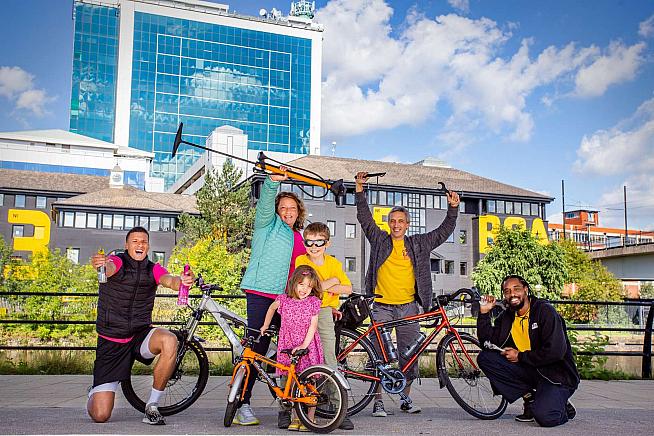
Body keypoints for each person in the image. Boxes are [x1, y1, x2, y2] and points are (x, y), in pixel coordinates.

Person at [354, 172, 459, 417]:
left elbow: (443, 231)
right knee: (378, 355)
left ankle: (405, 398)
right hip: (381, 306)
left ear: (407, 223)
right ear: (389, 223)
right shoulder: (379, 239)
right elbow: (364, 218)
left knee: (409, 355)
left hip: (408, 307)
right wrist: (360, 190)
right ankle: (377, 402)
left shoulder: (418, 243)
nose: (397, 225)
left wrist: (453, 208)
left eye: (401, 221)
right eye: (393, 221)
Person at [87, 226, 194, 425]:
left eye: (144, 241)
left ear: (148, 246)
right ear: (127, 245)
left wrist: (183, 281)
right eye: (135, 241)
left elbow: (168, 279)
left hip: (139, 335)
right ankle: (94, 393)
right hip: (112, 342)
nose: (140, 245)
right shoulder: (117, 261)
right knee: (101, 415)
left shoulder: (152, 268)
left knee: (170, 339)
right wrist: (100, 265)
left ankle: (152, 407)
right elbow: (109, 268)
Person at [237, 167, 307, 427]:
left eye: (293, 208)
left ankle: (288, 403)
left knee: (289, 351)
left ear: (299, 212)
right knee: (257, 348)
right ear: (278, 211)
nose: (288, 212)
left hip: (285, 299)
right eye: (284, 208)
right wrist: (271, 183)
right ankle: (242, 404)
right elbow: (265, 204)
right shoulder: (267, 225)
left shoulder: (298, 237)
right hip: (260, 292)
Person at [476, 275, 580, 427]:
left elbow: (555, 352)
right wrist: (484, 313)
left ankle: (562, 406)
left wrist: (520, 356)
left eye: (516, 289)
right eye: (507, 291)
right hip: (531, 370)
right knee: (486, 358)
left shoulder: (545, 312)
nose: (512, 294)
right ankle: (530, 398)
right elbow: (487, 343)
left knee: (546, 418)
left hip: (556, 375)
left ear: (525, 290)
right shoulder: (507, 317)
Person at [295, 222, 355, 430]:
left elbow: (348, 286)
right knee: (298, 358)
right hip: (302, 312)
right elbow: (306, 287)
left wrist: (323, 285)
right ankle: (289, 411)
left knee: (329, 360)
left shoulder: (333, 263)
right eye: (309, 242)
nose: (313, 246)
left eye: (318, 242)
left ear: (327, 243)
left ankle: (339, 410)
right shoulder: (301, 260)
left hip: (323, 314)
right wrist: (329, 284)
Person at [260, 265, 324, 432]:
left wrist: (304, 344)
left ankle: (310, 418)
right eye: (301, 284)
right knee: (293, 382)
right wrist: (265, 325)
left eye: (309, 286)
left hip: (307, 345)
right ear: (293, 283)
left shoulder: (313, 302)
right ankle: (296, 418)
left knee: (309, 382)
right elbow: (271, 308)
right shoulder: (284, 300)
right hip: (289, 344)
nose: (305, 289)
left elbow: (313, 325)